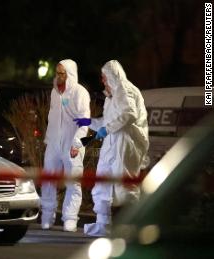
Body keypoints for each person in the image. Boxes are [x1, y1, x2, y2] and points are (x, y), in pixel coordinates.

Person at [74, 60, 149, 236]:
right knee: (103, 183)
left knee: (125, 186)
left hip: (126, 143)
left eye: (104, 78)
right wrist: (89, 122)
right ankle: (103, 225)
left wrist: (106, 129)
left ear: (113, 77)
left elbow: (129, 115)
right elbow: (108, 122)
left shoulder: (125, 89)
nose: (103, 81)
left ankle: (132, 227)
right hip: (112, 143)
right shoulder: (113, 96)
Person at [41, 59, 90, 231]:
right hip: (54, 144)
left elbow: (84, 121)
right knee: (48, 180)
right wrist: (49, 140)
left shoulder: (80, 93)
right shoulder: (55, 92)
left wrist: (77, 143)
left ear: (70, 74)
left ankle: (70, 219)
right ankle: (47, 215)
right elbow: (52, 117)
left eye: (62, 73)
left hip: (72, 144)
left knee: (73, 182)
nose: (59, 76)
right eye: (58, 73)